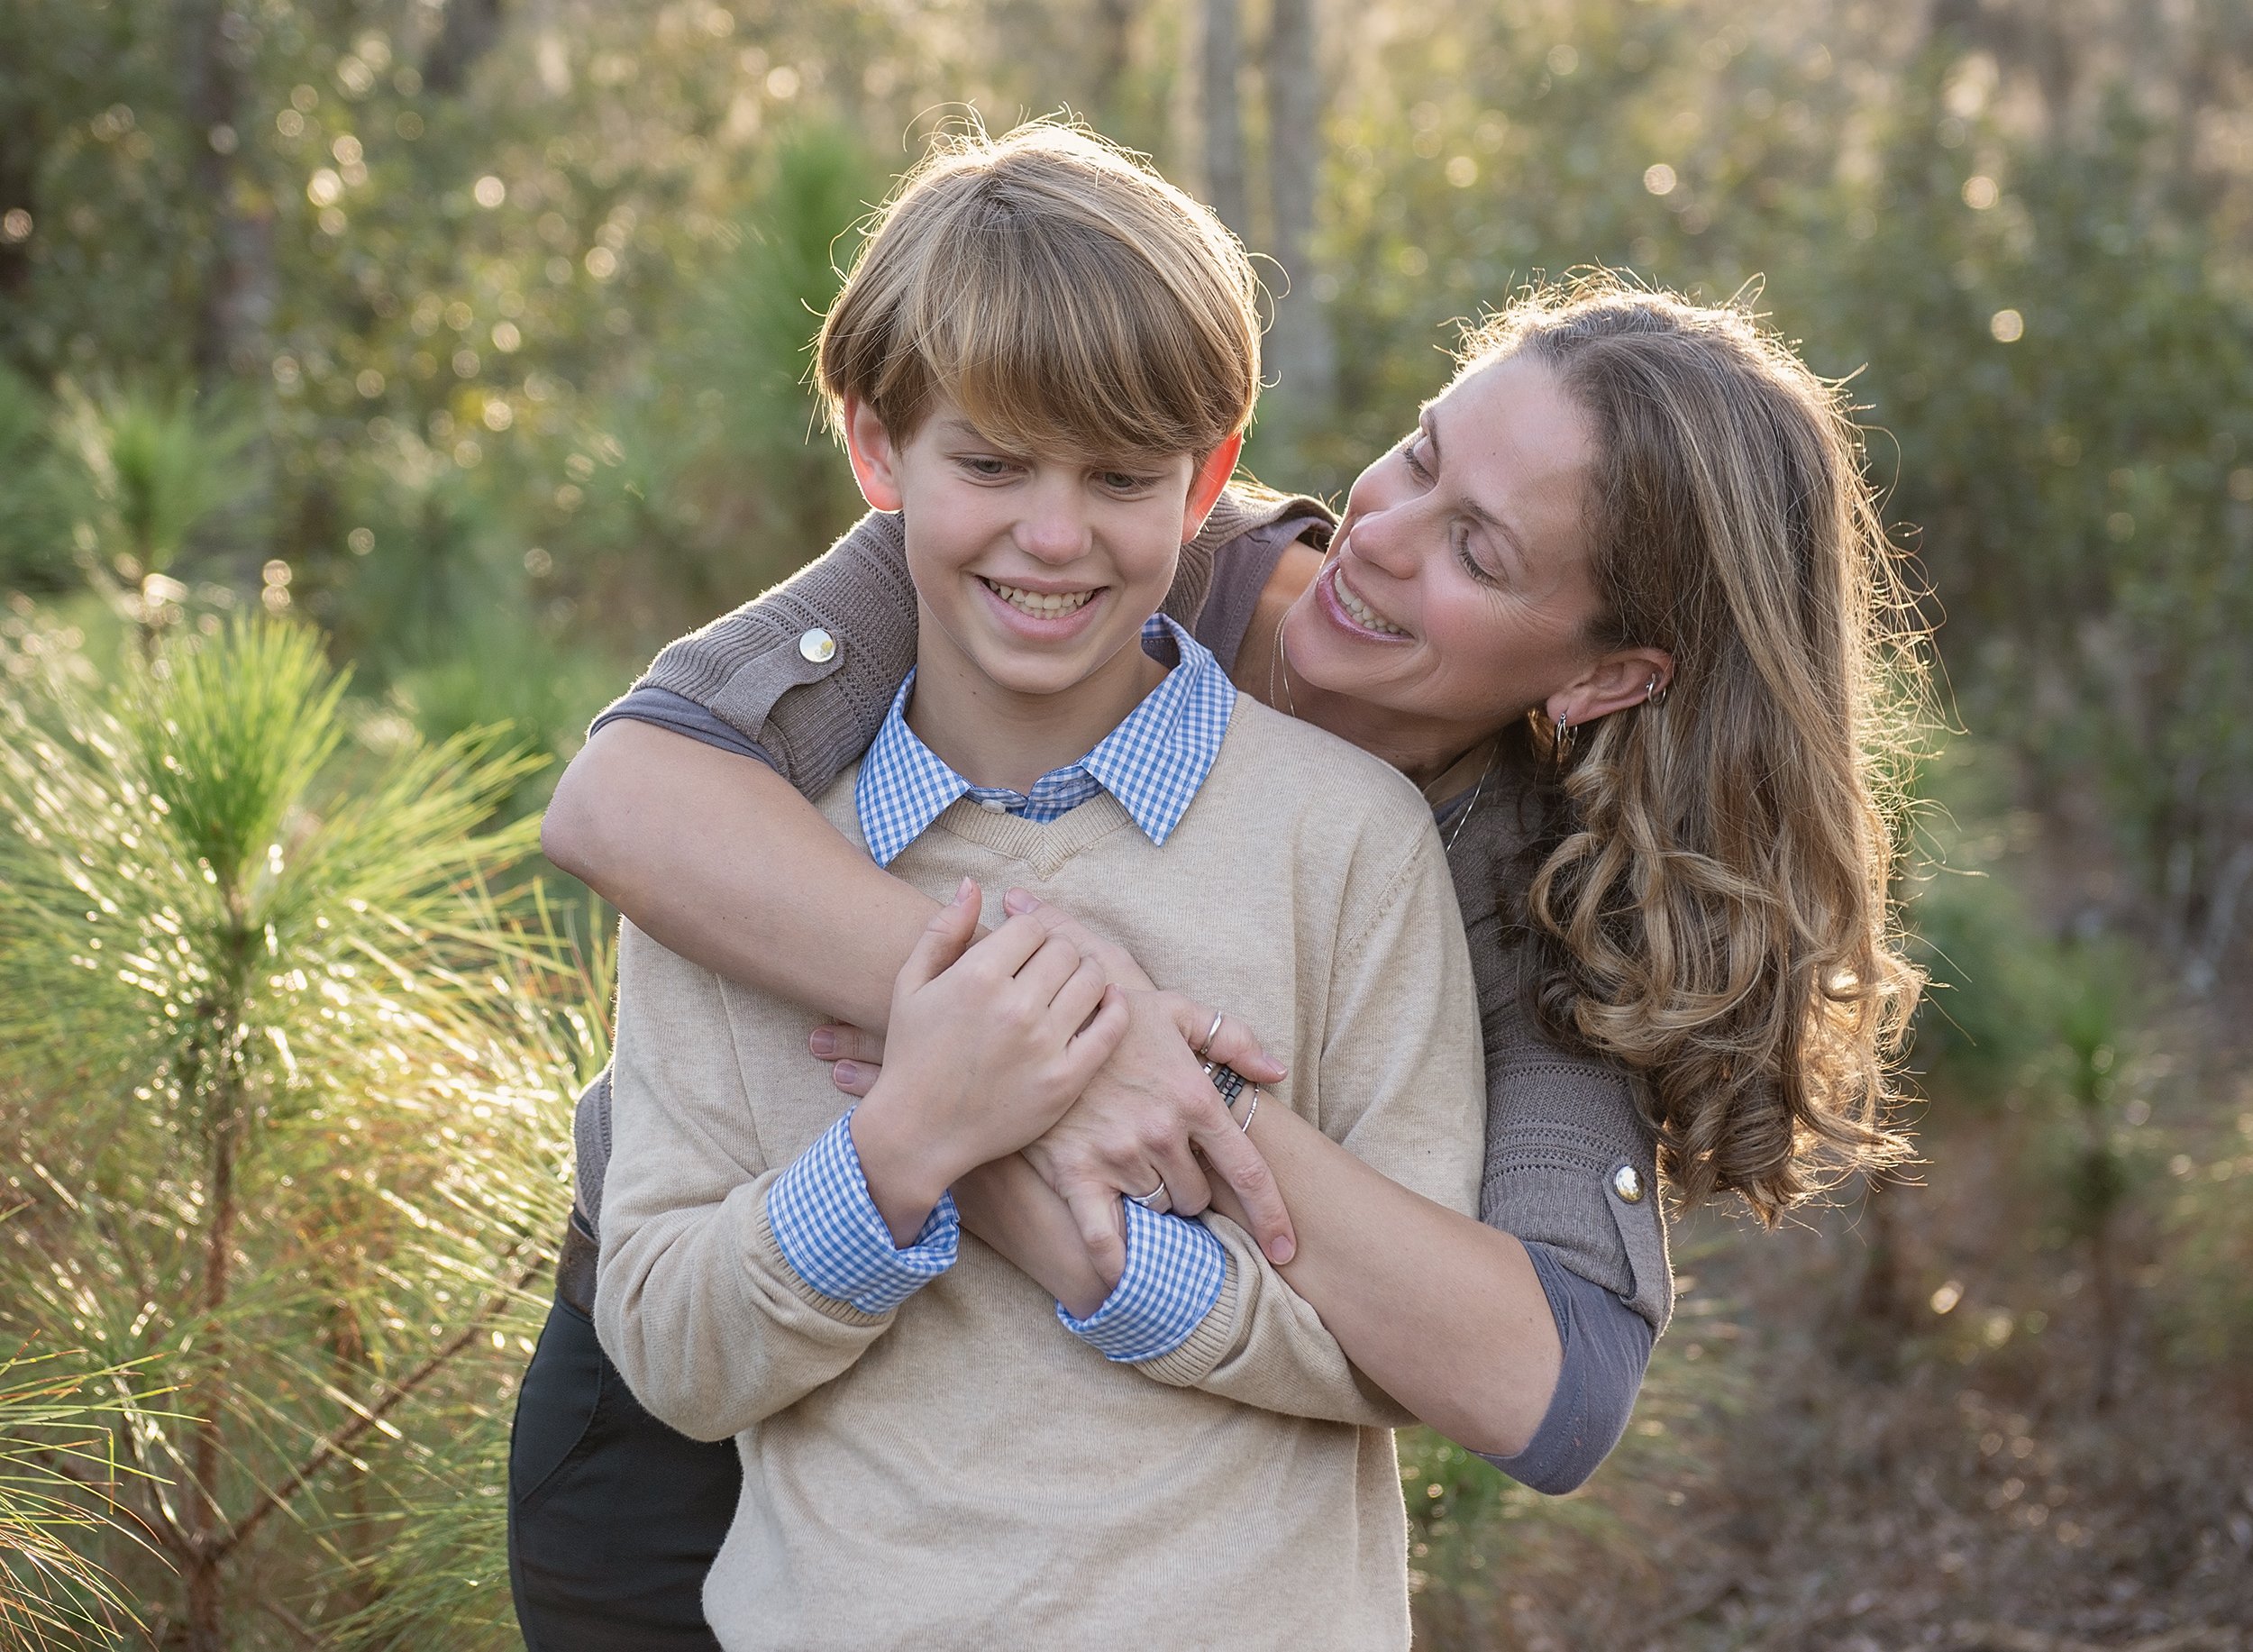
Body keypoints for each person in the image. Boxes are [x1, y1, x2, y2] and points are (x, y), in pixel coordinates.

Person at [525, 236, 1921, 1647]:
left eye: (1477, 548)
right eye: (1421, 456)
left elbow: (1543, 1384)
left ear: (1609, 672)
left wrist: (1164, 1107)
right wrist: (1023, 1045)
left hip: (1156, 1513)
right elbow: (628, 797)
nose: (1378, 532)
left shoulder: (1517, 887)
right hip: (703, 1351)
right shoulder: (1091, 533)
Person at [583, 120, 1489, 1649]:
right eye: (991, 463)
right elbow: (674, 1348)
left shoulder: (1349, 841)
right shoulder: (749, 860)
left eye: (1123, 474)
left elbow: (1412, 1352)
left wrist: (1109, 1253)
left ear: (1210, 473)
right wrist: (898, 1152)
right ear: (878, 445)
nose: (1055, 534)